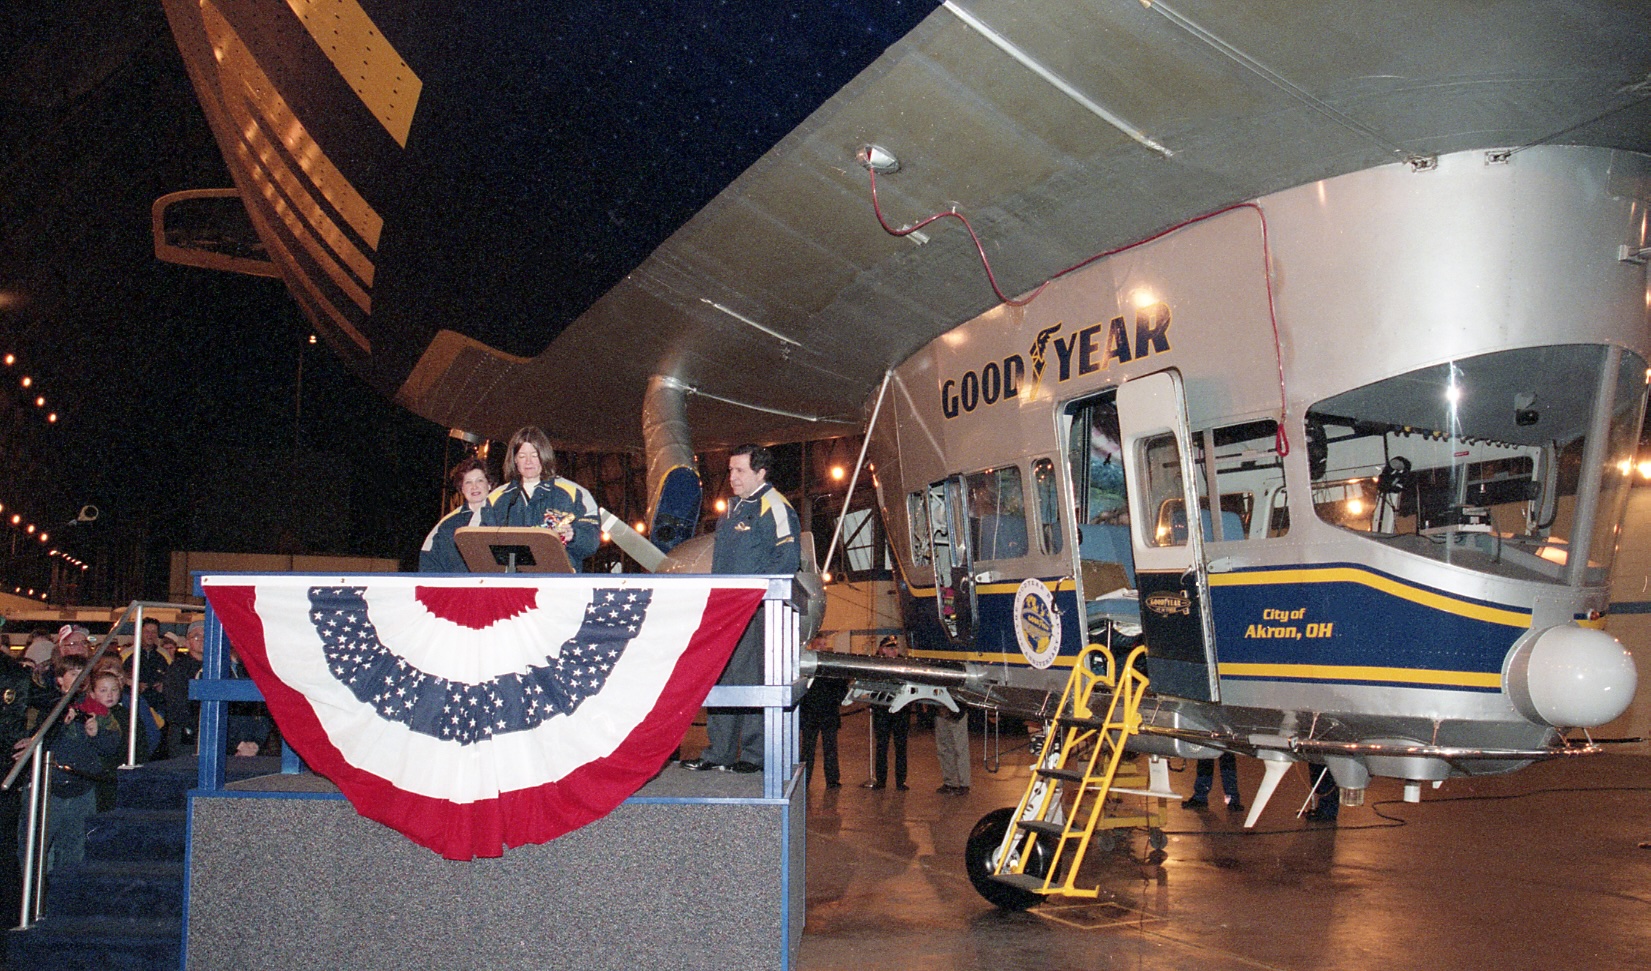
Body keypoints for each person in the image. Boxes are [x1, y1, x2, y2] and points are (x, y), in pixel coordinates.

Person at [682, 444, 800, 773]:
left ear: (760, 473)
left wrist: (754, 594)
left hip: (755, 611)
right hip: (725, 610)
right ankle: (718, 752)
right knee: (721, 678)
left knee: (751, 679)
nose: (732, 477)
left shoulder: (775, 506)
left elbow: (787, 559)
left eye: (739, 471)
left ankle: (753, 755)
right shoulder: (731, 510)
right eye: (730, 470)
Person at [15, 657, 121, 873]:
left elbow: (112, 746)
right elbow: (27, 739)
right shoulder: (44, 706)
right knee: (35, 850)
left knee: (74, 851)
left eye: (84, 673)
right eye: (73, 673)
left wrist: (97, 734)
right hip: (48, 789)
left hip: (81, 789)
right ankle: (36, 890)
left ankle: (64, 890)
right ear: (60, 679)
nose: (80, 678)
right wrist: (58, 725)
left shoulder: (96, 709)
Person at [481, 427, 601, 570]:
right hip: (513, 580)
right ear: (514, 460)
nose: (528, 462)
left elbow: (592, 542)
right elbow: (482, 546)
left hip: (558, 580)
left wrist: (574, 535)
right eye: (522, 456)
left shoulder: (576, 494)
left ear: (544, 456)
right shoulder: (496, 499)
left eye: (534, 455)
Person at [419, 457, 494, 572]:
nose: (474, 487)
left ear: (489, 485)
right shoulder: (447, 525)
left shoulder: (504, 517)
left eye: (479, 480)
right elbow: (429, 563)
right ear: (462, 489)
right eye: (468, 482)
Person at [862, 636, 910, 791]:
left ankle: (901, 781)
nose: (894, 651)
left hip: (901, 711)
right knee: (882, 746)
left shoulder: (904, 664)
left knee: (901, 747)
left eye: (895, 648)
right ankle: (881, 780)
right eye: (890, 648)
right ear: (882, 650)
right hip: (882, 710)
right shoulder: (876, 665)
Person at [797, 654, 849, 789]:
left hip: (827, 714)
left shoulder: (834, 670)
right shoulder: (809, 668)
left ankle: (832, 780)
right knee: (808, 749)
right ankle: (805, 779)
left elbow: (842, 689)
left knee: (829, 748)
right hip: (812, 714)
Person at [164, 620, 204, 755]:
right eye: (196, 636)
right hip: (186, 737)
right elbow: (176, 706)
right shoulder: (177, 669)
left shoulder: (221, 668)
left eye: (206, 636)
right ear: (187, 643)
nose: (202, 640)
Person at [934, 703, 971, 794]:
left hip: (957, 710)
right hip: (940, 711)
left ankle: (964, 784)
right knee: (944, 749)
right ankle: (950, 782)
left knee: (960, 748)